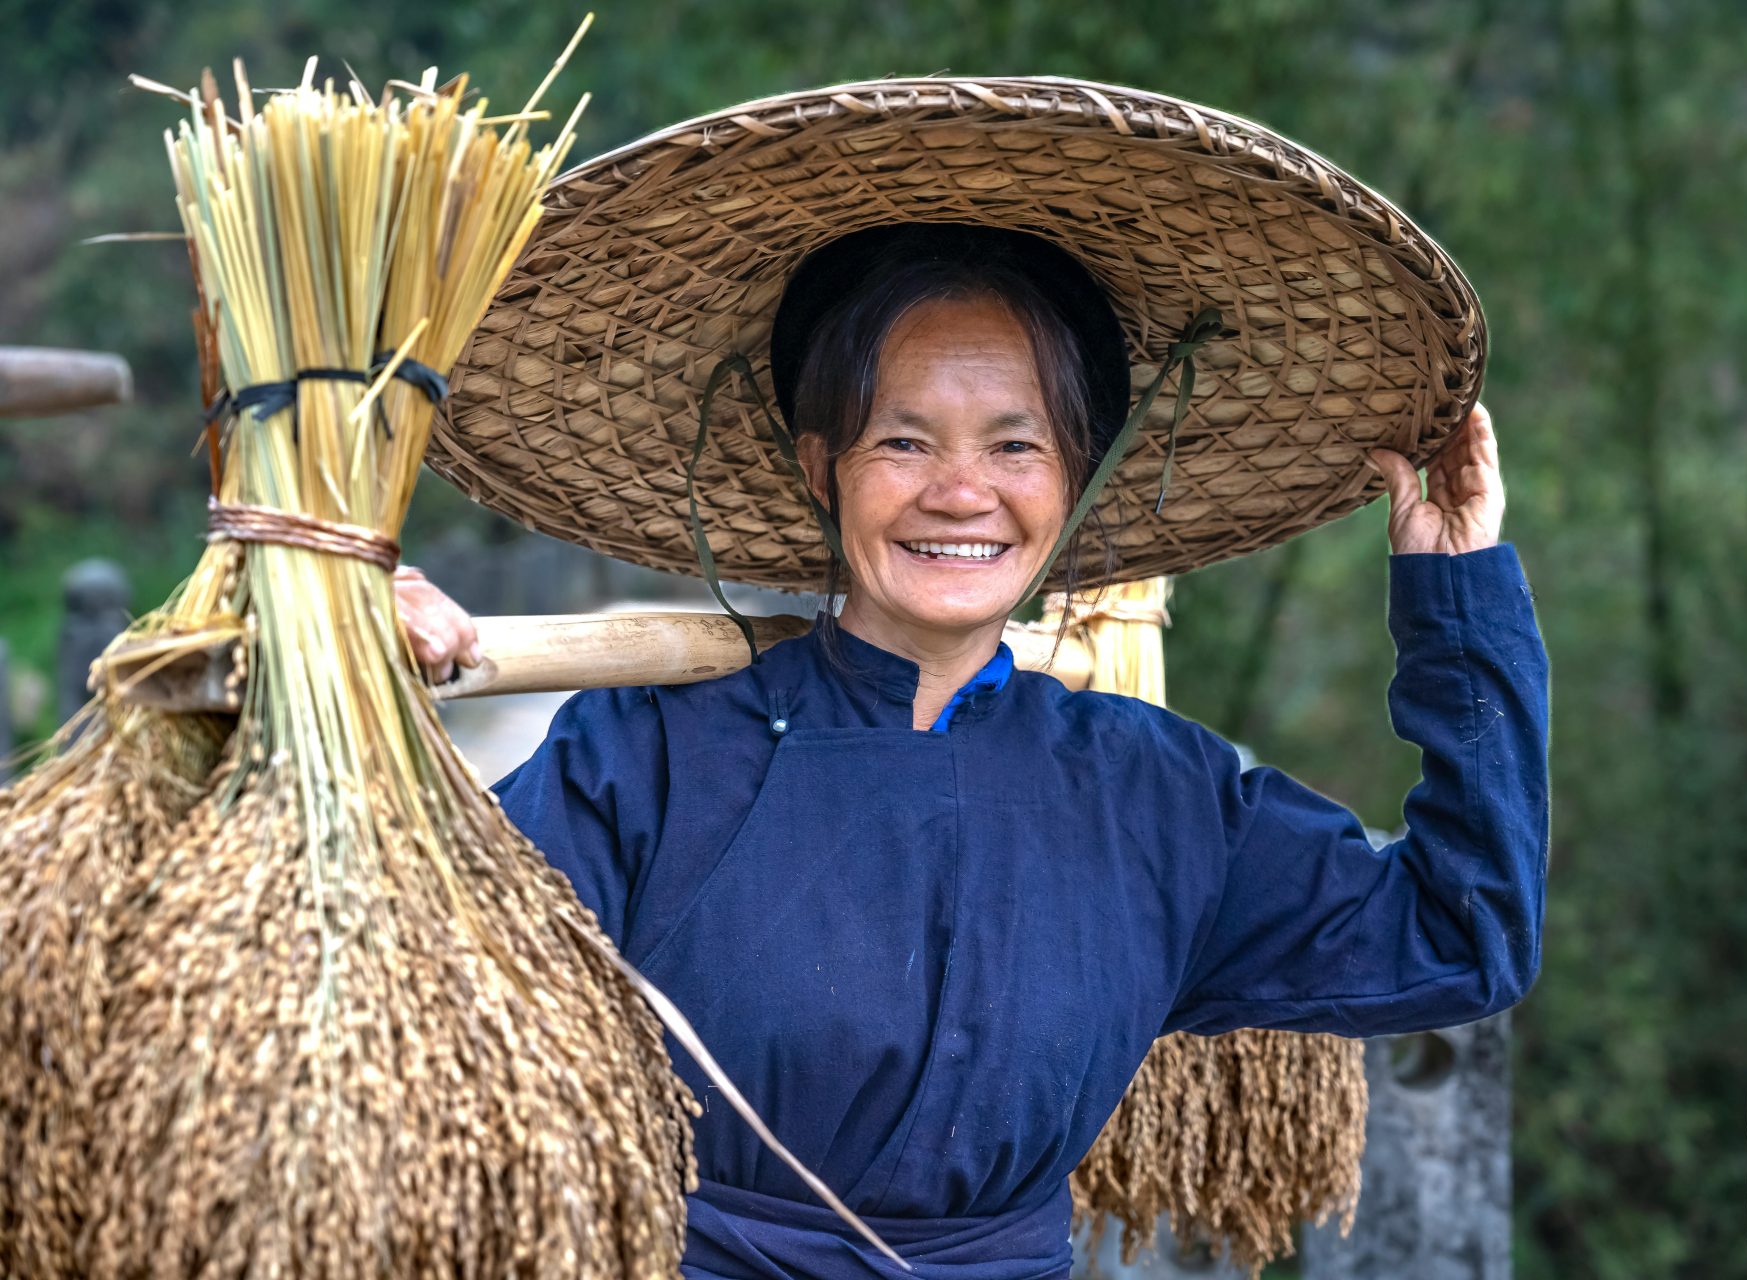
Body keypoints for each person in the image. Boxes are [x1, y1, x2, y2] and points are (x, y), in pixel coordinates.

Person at [398, 81, 1549, 1280]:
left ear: (1076, 473)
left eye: (1016, 443)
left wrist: (1458, 602)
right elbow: (421, 987)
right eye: (904, 439)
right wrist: (369, 677)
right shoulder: (643, 759)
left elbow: (1465, 935)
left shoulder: (1156, 795)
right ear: (819, 466)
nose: (962, 491)